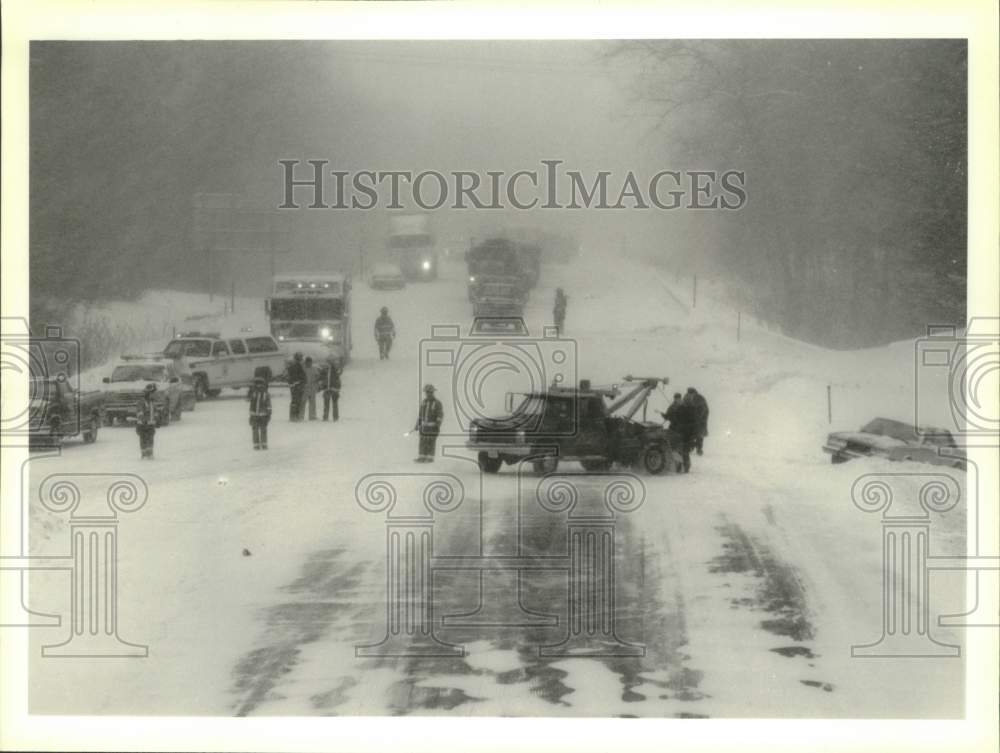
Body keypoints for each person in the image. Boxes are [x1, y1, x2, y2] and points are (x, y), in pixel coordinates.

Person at [663, 392, 698, 473]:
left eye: (677, 398)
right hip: (678, 431)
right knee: (679, 450)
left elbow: (674, 418)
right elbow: (669, 416)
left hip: (682, 432)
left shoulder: (683, 407)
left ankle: (684, 467)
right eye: (675, 398)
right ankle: (681, 467)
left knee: (682, 450)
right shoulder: (675, 407)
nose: (676, 400)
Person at [413, 383, 443, 462]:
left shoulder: (437, 403)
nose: (428, 394)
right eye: (427, 392)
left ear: (433, 392)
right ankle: (422, 457)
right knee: (422, 441)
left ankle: (430, 458)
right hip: (424, 427)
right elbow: (420, 415)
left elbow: (440, 415)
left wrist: (438, 425)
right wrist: (417, 425)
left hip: (432, 427)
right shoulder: (424, 402)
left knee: (431, 441)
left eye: (430, 392)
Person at [248, 376, 272, 450]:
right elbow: (249, 400)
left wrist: (269, 413)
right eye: (257, 384)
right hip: (254, 415)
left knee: (263, 430)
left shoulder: (265, 394)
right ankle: (256, 445)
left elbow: (268, 404)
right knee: (255, 430)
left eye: (260, 384)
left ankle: (263, 444)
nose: (259, 386)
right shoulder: (253, 393)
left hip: (263, 415)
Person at [135, 383, 158, 459]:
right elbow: (140, 412)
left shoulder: (152, 402)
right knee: (144, 438)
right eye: (153, 393)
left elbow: (154, 412)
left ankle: (150, 453)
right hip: (143, 425)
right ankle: (144, 453)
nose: (154, 395)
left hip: (151, 425)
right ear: (148, 393)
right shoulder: (142, 402)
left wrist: (157, 419)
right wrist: (141, 422)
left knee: (150, 438)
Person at [685, 387, 710, 455]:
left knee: (699, 435)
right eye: (688, 394)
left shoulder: (700, 398)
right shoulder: (688, 397)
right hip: (692, 420)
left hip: (700, 420)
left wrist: (699, 418)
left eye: (690, 394)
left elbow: (704, 409)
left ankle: (699, 449)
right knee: (691, 434)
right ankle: (691, 447)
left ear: (693, 393)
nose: (689, 395)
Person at [285, 352, 306, 421]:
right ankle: (295, 416)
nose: (301, 359)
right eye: (300, 358)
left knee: (295, 401)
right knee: (296, 401)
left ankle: (294, 416)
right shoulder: (296, 366)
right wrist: (302, 381)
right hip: (297, 385)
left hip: (295, 385)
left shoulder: (293, 366)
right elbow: (300, 376)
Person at [302, 356, 320, 420]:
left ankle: (312, 416)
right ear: (305, 362)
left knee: (312, 403)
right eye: (307, 362)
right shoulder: (303, 369)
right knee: (303, 402)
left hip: (312, 388)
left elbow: (318, 377)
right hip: (305, 388)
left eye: (310, 362)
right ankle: (301, 416)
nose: (309, 363)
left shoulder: (314, 369)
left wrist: (317, 385)